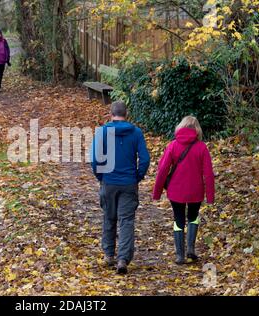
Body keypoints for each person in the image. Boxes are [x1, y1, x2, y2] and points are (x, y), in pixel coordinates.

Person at [91, 101, 150, 274]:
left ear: (111, 114)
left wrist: (101, 176)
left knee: (109, 218)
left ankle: (109, 255)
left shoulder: (102, 132)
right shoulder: (136, 133)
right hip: (129, 183)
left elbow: (95, 159)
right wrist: (137, 176)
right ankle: (123, 259)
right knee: (126, 221)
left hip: (108, 182)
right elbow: (145, 159)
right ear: (126, 114)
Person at [153, 116, 215, 265]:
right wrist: (210, 196)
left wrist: (157, 192)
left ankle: (180, 255)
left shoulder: (173, 146)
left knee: (178, 219)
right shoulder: (202, 147)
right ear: (197, 130)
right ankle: (191, 249)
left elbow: (162, 170)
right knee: (193, 217)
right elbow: (208, 174)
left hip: (176, 191)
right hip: (196, 190)